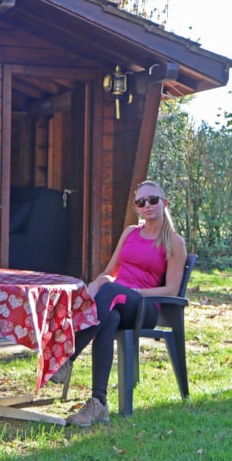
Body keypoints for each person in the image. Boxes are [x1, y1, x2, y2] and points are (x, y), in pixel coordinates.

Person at [52, 180, 187, 427]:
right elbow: (109, 272)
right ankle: (98, 405)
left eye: (153, 200)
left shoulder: (174, 242)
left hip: (144, 307)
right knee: (109, 317)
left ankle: (67, 358)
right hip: (114, 303)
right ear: (137, 208)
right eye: (141, 202)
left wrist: (131, 290)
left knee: (112, 291)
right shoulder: (130, 233)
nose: (147, 206)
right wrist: (94, 286)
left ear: (165, 203)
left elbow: (172, 290)